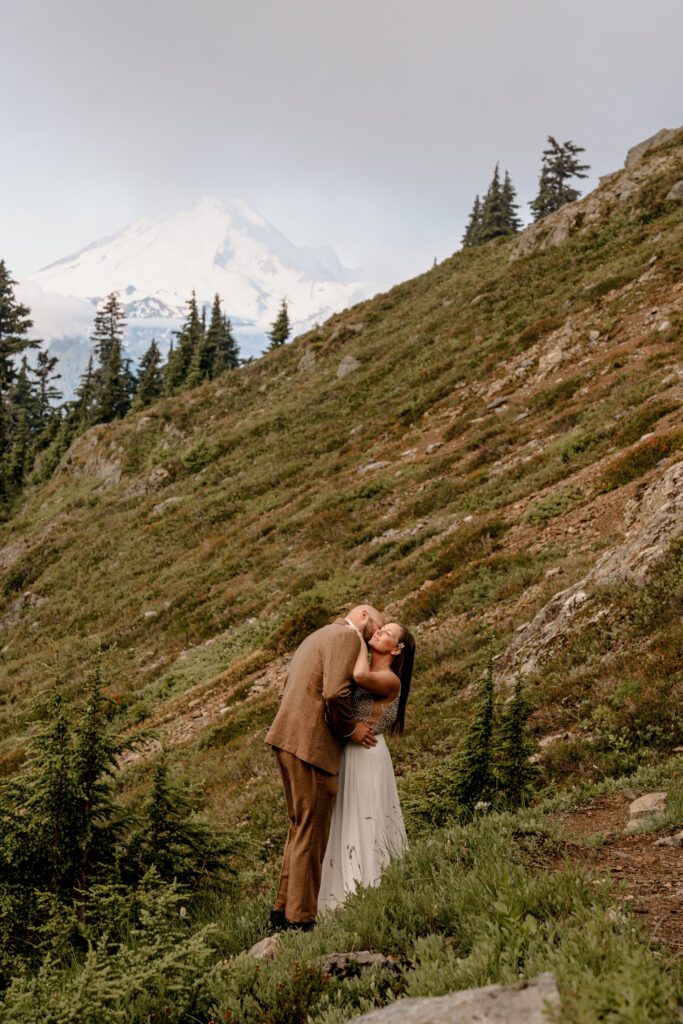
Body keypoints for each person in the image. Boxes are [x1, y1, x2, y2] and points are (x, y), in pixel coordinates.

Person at [265, 603, 384, 931]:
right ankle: (299, 920)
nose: (375, 634)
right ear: (362, 616)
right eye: (376, 625)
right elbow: (334, 693)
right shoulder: (348, 637)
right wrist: (351, 729)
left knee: (298, 827)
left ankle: (281, 909)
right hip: (311, 747)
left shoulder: (316, 637)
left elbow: (287, 687)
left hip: (286, 738)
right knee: (312, 831)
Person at [318, 620, 415, 913]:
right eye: (381, 627)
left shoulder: (390, 679)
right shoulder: (371, 669)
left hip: (367, 755)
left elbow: (359, 675)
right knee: (346, 817)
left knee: (365, 818)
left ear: (397, 649)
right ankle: (340, 895)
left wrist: (356, 633)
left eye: (389, 633)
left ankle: (368, 891)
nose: (381, 631)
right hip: (350, 751)